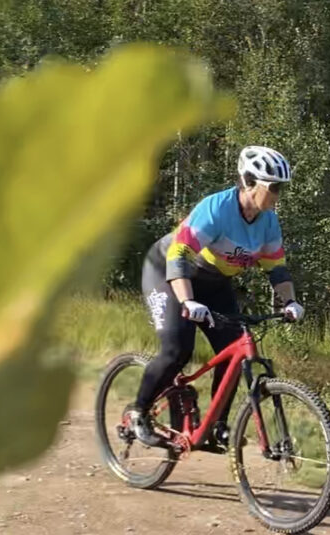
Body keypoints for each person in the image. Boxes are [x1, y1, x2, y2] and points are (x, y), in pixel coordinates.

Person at [127, 145, 304, 448]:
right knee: (176, 350)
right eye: (273, 187)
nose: (278, 194)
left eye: (281, 188)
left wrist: (289, 302)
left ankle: (216, 426)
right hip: (167, 273)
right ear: (249, 181)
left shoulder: (269, 222)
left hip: (214, 283)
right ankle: (138, 413)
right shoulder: (216, 209)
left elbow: (277, 270)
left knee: (234, 349)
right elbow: (179, 254)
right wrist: (187, 301)